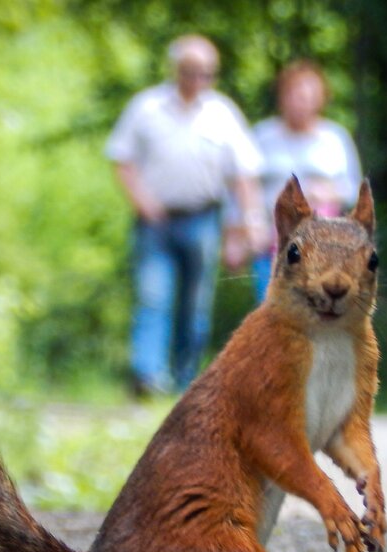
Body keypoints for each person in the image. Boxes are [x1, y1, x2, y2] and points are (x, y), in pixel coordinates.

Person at [106, 34, 267, 396]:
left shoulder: (222, 113)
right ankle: (147, 376)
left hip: (203, 219)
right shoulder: (146, 107)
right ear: (176, 69)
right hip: (156, 220)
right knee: (152, 296)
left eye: (207, 73)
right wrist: (141, 200)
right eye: (191, 71)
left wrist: (250, 221)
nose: (198, 80)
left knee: (195, 304)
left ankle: (183, 379)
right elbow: (122, 158)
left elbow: (244, 174)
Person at [248, 60, 362, 302]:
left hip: (323, 248)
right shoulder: (261, 136)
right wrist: (248, 226)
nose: (301, 102)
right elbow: (244, 186)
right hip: (272, 244)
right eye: (295, 94)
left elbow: (352, 189)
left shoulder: (335, 138)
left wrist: (328, 193)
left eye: (309, 96)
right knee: (270, 313)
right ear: (282, 96)